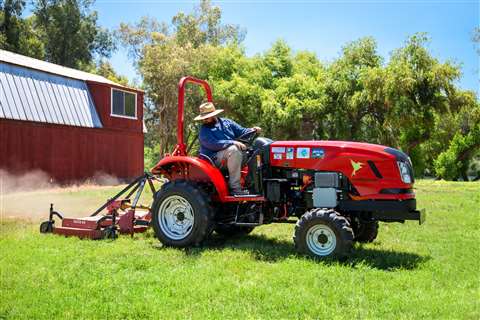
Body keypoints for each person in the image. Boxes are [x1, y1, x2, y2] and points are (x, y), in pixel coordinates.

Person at [194, 102, 261, 196]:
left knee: (255, 153)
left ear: (214, 115)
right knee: (234, 150)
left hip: (229, 154)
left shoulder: (227, 123)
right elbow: (213, 144)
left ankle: (254, 184)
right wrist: (232, 142)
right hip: (213, 158)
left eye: (207, 117)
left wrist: (252, 130)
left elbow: (242, 131)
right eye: (204, 118)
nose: (205, 120)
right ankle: (235, 188)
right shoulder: (204, 131)